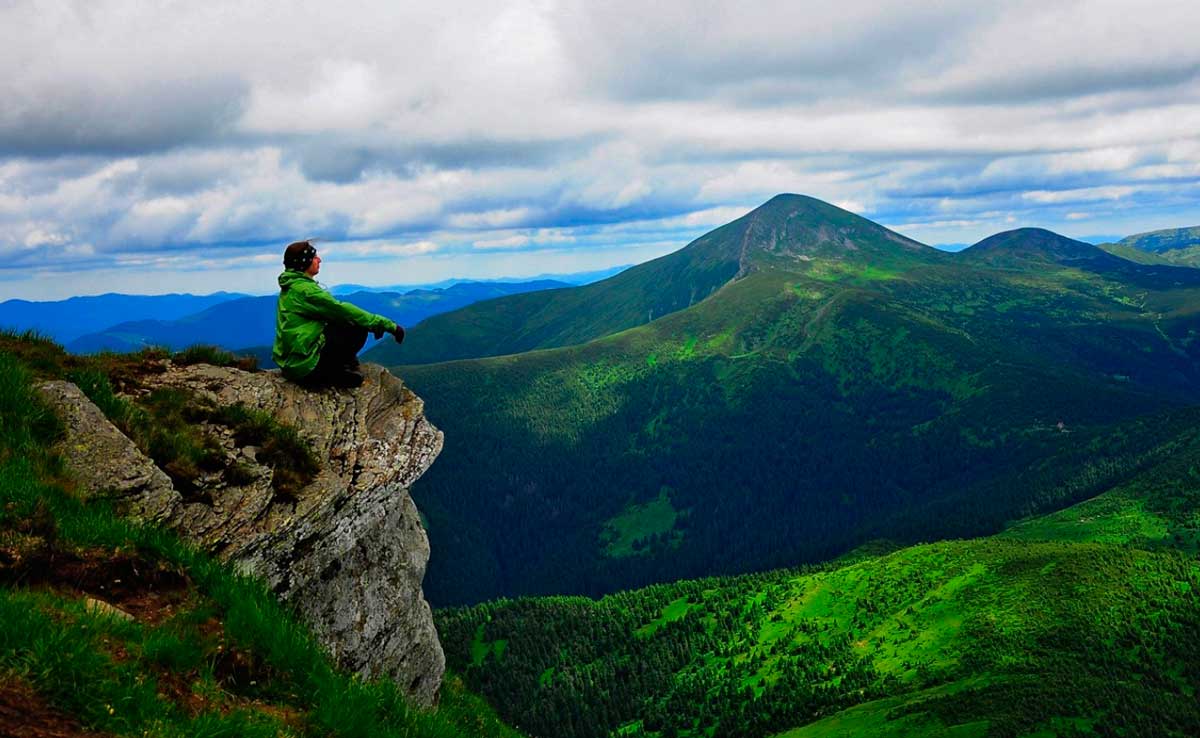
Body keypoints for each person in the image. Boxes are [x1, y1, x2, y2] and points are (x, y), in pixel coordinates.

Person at [272, 240, 404, 388]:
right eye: (314, 257)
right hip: (304, 368)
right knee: (356, 328)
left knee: (341, 322)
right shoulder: (305, 291)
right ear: (304, 262)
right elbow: (343, 310)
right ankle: (330, 374)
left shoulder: (292, 286)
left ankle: (338, 365)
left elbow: (334, 315)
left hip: (292, 362)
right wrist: (387, 325)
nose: (319, 260)